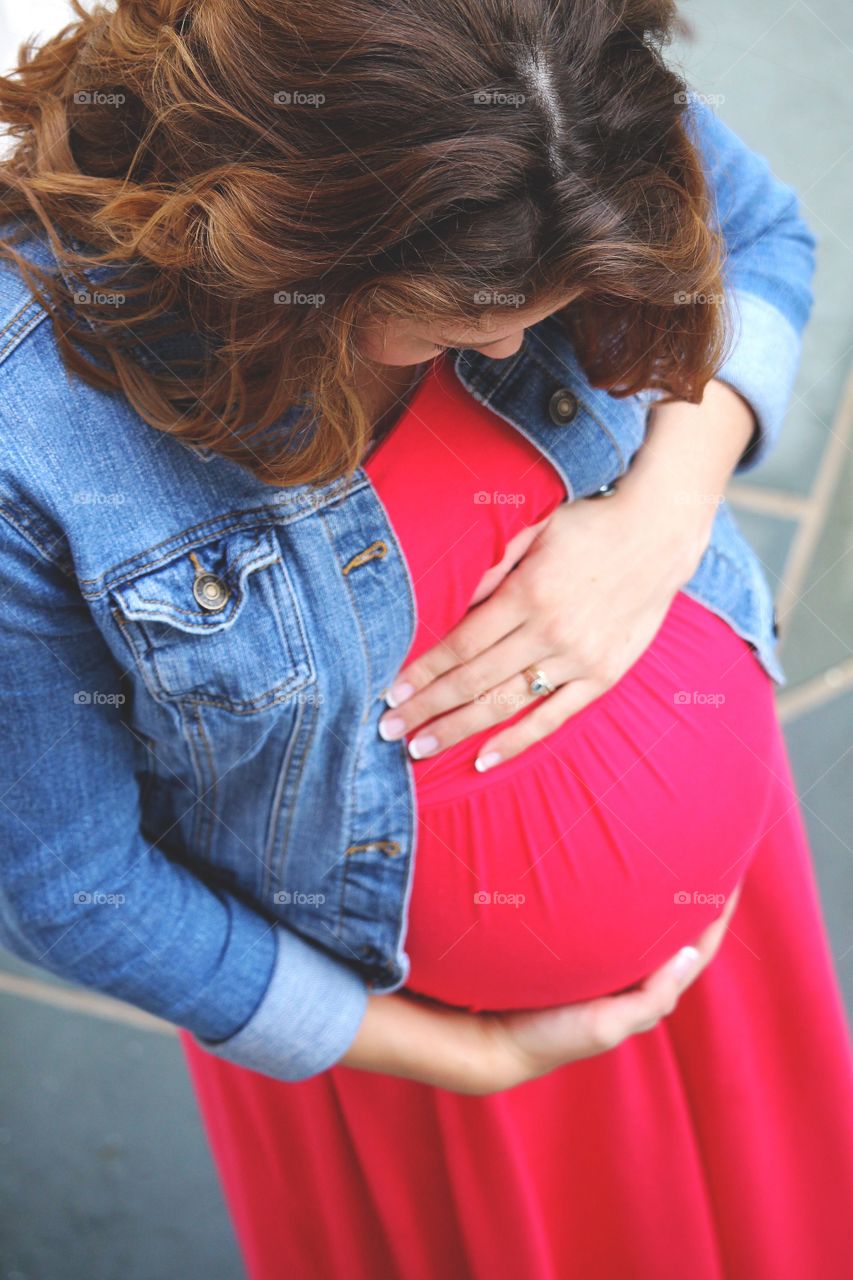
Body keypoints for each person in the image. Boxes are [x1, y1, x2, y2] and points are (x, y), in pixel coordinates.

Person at [0, 1, 850, 1276]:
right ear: (295, 239)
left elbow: (767, 234)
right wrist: (469, 1056)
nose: (511, 345)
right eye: (466, 322)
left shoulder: (541, 105)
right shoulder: (33, 425)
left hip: (724, 914)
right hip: (411, 1041)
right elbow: (71, 885)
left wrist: (661, 515)